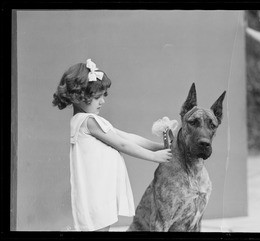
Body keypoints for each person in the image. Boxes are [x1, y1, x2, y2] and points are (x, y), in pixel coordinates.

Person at [52, 59, 172, 231]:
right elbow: (122, 143)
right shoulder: (88, 121)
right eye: (97, 97)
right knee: (99, 226)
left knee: (102, 225)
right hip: (96, 191)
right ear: (78, 97)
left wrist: (158, 146)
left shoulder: (89, 121)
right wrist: (154, 156)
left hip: (101, 188)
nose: (102, 102)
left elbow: (127, 137)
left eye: (103, 96)